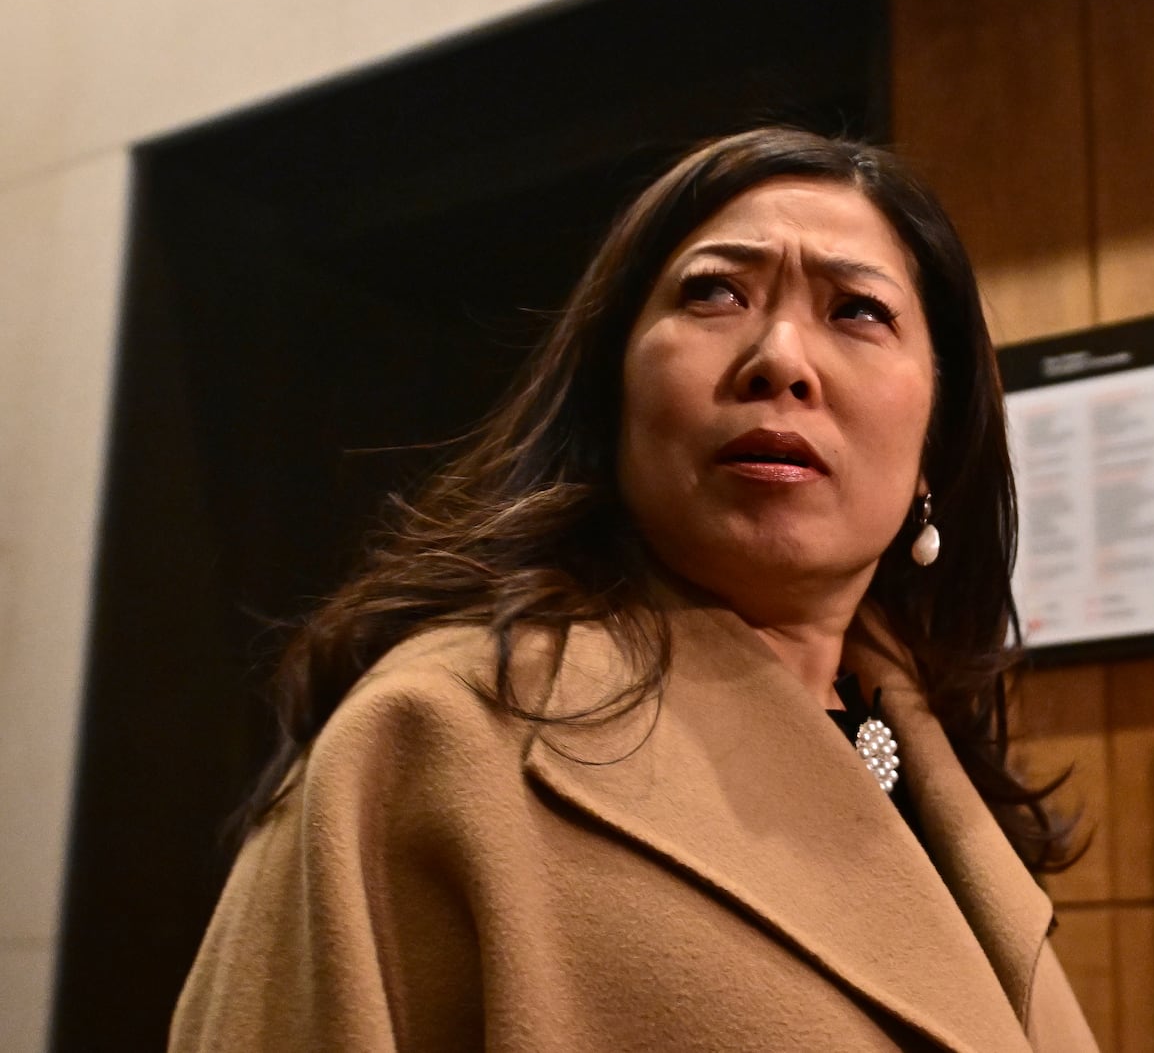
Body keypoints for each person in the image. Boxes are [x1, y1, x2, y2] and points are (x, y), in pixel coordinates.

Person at [170, 126, 1099, 1052]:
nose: (780, 357)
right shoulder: (433, 733)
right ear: (611, 391)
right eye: (716, 292)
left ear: (938, 432)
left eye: (857, 310)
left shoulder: (928, 752)